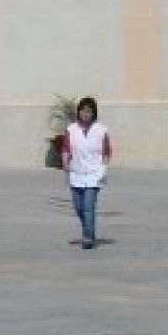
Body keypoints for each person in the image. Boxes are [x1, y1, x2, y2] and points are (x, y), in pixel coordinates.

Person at [63, 95, 111, 249]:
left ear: (93, 113)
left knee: (89, 207)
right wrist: (65, 162)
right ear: (78, 112)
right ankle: (88, 229)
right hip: (76, 173)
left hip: (94, 174)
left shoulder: (101, 130)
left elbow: (107, 151)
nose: (85, 114)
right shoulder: (71, 130)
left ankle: (88, 238)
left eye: (89, 111)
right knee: (78, 207)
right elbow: (66, 148)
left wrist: (103, 168)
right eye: (82, 111)